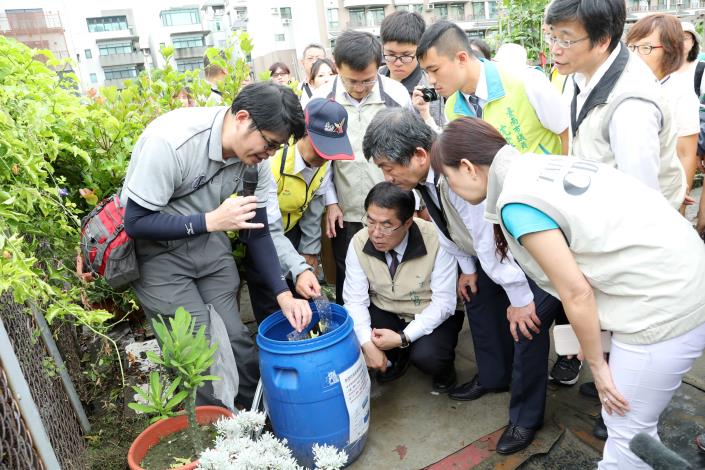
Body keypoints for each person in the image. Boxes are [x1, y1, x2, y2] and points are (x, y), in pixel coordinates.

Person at [433, 116, 705, 470]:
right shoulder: (535, 164)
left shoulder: (516, 203)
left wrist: (597, 366)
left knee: (626, 431)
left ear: (468, 167)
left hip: (663, 307)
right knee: (635, 428)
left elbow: (576, 292)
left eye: (449, 178)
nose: (451, 189)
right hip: (684, 272)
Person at [363, 108, 565, 454]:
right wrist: (467, 268)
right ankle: (492, 376)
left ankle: (525, 418)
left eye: (387, 166)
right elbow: (449, 229)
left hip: (533, 256)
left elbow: (488, 236)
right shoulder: (423, 177)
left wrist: (519, 299)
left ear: (419, 156)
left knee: (526, 327)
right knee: (478, 300)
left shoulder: (457, 172)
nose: (386, 175)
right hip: (490, 255)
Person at [120, 82, 312, 408]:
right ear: (241, 118)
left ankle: (259, 420)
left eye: (276, 149)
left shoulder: (255, 161)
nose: (269, 154)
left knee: (236, 340)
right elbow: (135, 222)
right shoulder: (171, 142)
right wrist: (210, 221)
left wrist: (284, 293)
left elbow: (259, 230)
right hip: (158, 254)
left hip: (209, 246)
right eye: (269, 143)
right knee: (199, 349)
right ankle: (219, 436)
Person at [544, 0, 686, 210]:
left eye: (566, 41)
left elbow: (641, 200)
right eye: (551, 37)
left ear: (602, 41)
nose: (554, 49)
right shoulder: (580, 72)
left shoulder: (631, 108)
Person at [313, 30, 412, 304]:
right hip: (345, 210)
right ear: (336, 65)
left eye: (367, 80)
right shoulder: (321, 101)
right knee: (349, 270)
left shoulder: (396, 95)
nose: (359, 88)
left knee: (393, 269)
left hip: (390, 204)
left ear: (379, 66)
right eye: (351, 81)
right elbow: (319, 162)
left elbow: (408, 153)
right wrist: (331, 202)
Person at [344, 182, 461, 391]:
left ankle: (443, 369)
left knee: (429, 357)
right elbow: (354, 300)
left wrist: (402, 338)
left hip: (428, 310)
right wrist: (368, 345)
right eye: (370, 221)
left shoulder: (437, 240)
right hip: (386, 307)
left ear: (408, 222)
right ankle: (398, 357)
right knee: (359, 339)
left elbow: (444, 303)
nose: (376, 233)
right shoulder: (358, 242)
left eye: (387, 225)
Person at [246, 98, 353, 323]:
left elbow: (314, 207)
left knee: (303, 292)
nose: (325, 157)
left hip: (292, 230)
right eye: (321, 148)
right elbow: (269, 231)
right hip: (260, 232)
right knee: (272, 299)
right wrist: (298, 267)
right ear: (302, 133)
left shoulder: (323, 163)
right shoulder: (271, 164)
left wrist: (310, 250)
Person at [416, 20, 569, 155]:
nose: (431, 81)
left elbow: (568, 132)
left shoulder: (526, 80)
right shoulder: (452, 108)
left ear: (461, 58)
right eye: (426, 72)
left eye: (434, 70)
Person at [626, 14, 699, 213]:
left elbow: (686, 154)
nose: (635, 55)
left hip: (664, 196)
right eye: (631, 47)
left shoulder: (681, 93)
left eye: (646, 48)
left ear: (670, 51)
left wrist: (680, 198)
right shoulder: (627, 85)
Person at [378, 11, 445, 130]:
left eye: (406, 55)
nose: (398, 62)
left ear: (420, 50)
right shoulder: (374, 80)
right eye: (390, 54)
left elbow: (438, 132)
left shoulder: (432, 84)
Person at [681, 21, 705, 98]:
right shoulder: (662, 67)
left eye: (685, 38)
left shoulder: (701, 68)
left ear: (693, 42)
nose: (680, 42)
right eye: (676, 38)